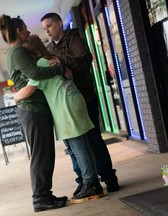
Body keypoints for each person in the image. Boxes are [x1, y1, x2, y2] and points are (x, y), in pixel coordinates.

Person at [14, 35, 104, 203]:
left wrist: (16, 97)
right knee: (84, 142)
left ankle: (90, 182)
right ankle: (93, 182)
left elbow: (28, 90)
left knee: (77, 146)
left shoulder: (40, 65)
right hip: (75, 100)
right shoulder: (54, 58)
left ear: (30, 53)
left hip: (65, 106)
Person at [0, 14, 70, 212]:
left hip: (35, 108)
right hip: (31, 109)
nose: (29, 31)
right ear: (19, 31)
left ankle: (45, 194)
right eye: (26, 28)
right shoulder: (17, 50)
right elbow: (35, 74)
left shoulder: (19, 50)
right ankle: (40, 199)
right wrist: (57, 71)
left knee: (45, 154)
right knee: (41, 155)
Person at [41, 12, 120, 194]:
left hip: (86, 98)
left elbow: (85, 62)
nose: (47, 31)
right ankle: (85, 180)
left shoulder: (74, 39)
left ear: (59, 23)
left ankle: (109, 177)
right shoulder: (49, 50)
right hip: (66, 103)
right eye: (45, 29)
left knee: (94, 140)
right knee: (75, 145)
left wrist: (62, 62)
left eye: (49, 26)